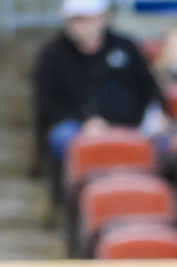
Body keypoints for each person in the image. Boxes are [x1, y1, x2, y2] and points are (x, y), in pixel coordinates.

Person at [33, 0, 165, 166]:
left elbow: (149, 88)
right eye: (75, 19)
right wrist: (85, 123)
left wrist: (156, 114)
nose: (79, 25)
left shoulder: (126, 47)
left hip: (131, 127)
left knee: (164, 143)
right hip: (77, 127)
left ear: (102, 17)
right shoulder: (52, 55)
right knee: (63, 137)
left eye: (85, 18)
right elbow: (48, 102)